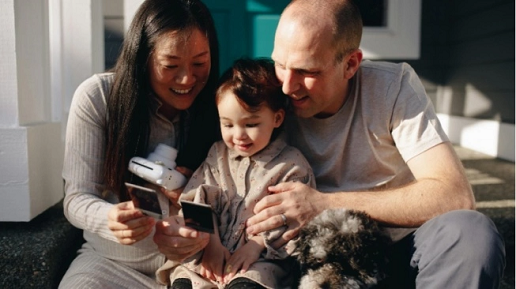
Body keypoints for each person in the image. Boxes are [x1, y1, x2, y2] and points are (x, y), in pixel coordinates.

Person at [243, 0, 506, 288]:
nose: (287, 86)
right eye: (280, 64)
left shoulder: (392, 87)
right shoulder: (265, 92)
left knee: (471, 234)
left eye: (308, 72)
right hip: (310, 260)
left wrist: (324, 204)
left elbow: (454, 195)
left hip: (398, 251)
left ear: (351, 64)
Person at [59, 0, 220, 288]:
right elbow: (76, 199)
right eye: (170, 65)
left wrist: (201, 231)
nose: (187, 79)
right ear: (142, 57)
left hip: (195, 269)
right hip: (111, 264)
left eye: (199, 63)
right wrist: (109, 218)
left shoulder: (223, 103)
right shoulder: (98, 98)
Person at [156, 58, 316, 289]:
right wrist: (210, 244)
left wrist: (256, 245)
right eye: (228, 125)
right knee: (185, 281)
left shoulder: (292, 166)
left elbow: (293, 221)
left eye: (250, 124)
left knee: (251, 282)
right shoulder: (217, 155)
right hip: (208, 253)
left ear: (277, 118)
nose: (238, 135)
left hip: (260, 259)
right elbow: (195, 200)